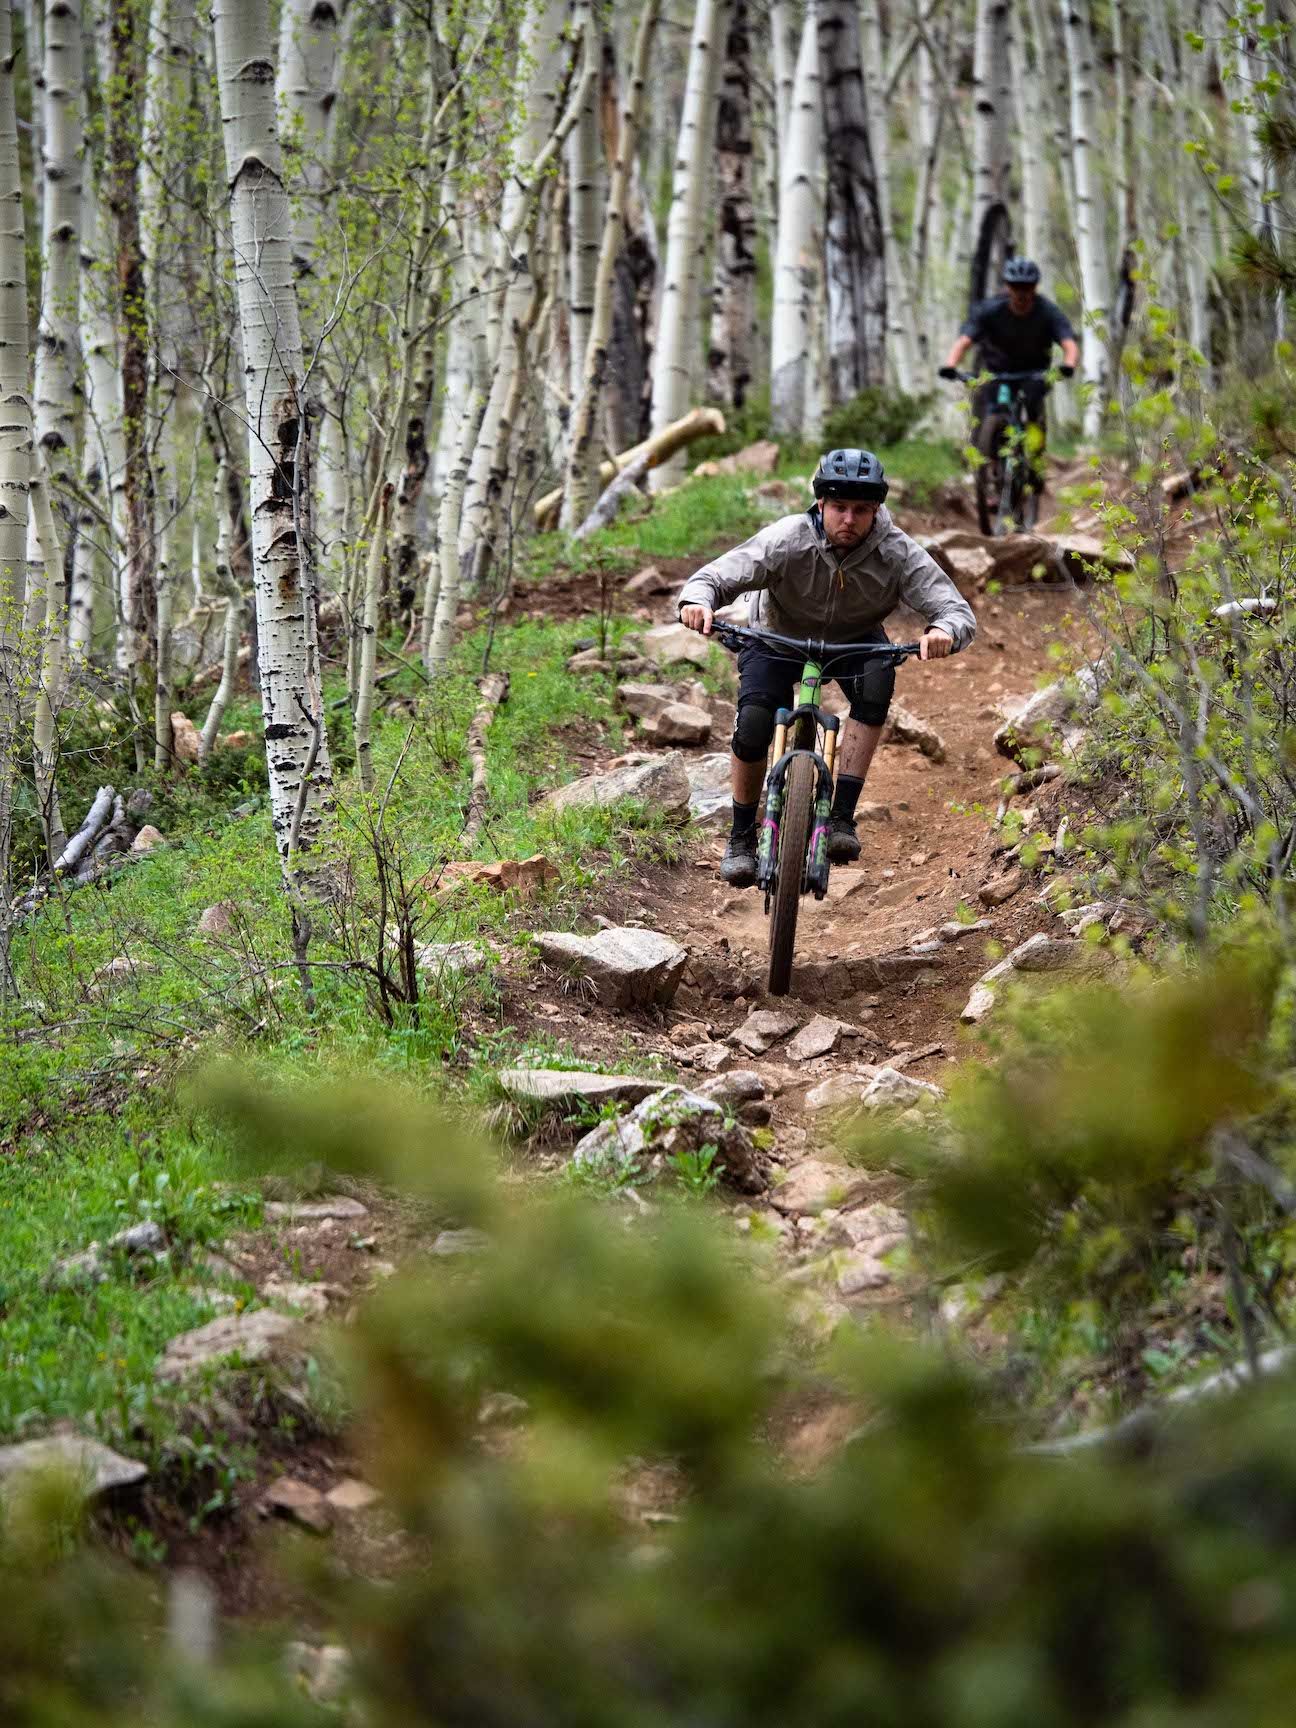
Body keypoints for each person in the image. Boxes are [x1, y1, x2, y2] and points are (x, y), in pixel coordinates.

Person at [677, 449, 976, 887]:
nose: (849, 520)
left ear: (876, 510)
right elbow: (715, 577)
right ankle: (741, 837)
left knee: (876, 682)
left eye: (860, 510)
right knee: (756, 720)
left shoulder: (897, 552)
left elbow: (954, 609)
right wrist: (696, 602)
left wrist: (943, 630)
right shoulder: (787, 538)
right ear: (821, 504)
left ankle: (841, 819)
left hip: (854, 640)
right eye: (839, 507)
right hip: (777, 634)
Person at [939, 256, 1080, 483]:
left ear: (1035, 287)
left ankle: (1035, 464)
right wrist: (950, 365)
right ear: (1007, 286)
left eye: (1027, 287)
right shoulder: (990, 310)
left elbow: (1068, 343)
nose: (1021, 293)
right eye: (1016, 287)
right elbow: (965, 340)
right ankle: (994, 474)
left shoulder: (1047, 312)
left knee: (1033, 412)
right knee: (995, 411)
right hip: (998, 372)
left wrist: (1068, 365)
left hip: (1034, 373)